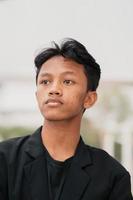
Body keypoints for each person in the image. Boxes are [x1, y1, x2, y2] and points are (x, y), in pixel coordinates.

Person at [0, 38, 132, 200]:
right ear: (37, 95)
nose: (54, 89)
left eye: (67, 81)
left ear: (89, 99)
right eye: (45, 81)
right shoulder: (5, 160)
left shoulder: (112, 176)